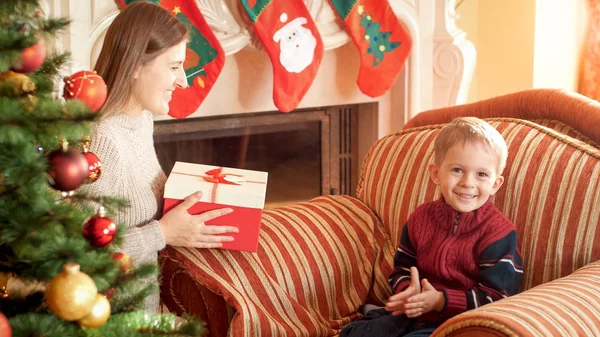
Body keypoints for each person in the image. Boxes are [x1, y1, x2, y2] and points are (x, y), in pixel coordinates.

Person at [81, 2, 239, 312]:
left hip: (148, 309)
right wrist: (163, 232)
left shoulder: (140, 120)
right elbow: (81, 252)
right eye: (173, 66)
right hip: (107, 319)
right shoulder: (102, 141)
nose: (184, 81)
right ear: (137, 64)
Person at [340, 117, 524, 337]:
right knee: (354, 333)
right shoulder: (421, 218)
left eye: (481, 174)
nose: (468, 182)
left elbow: (498, 296)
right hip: (412, 313)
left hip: (458, 323)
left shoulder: (498, 234)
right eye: (457, 170)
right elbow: (401, 268)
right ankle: (376, 317)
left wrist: (440, 300)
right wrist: (408, 290)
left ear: (495, 184)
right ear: (436, 174)